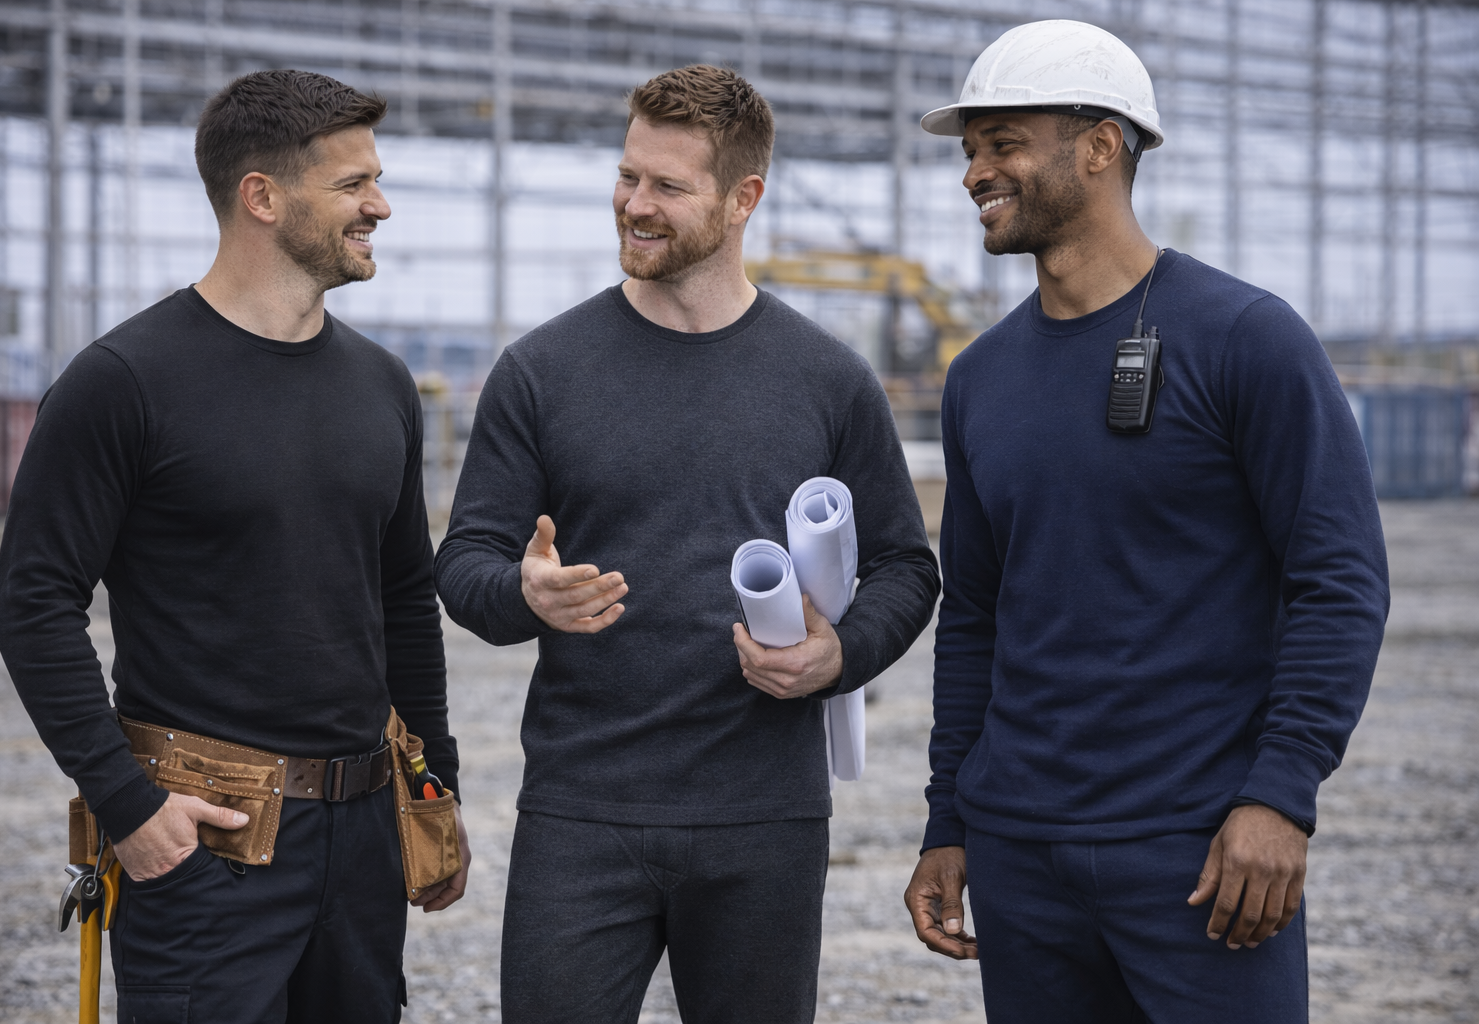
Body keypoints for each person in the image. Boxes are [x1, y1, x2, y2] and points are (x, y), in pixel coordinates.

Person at [902, 20, 1389, 1024]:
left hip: (1205, 855)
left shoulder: (1247, 341)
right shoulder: (980, 379)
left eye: (1003, 142)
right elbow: (977, 619)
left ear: (1099, 145)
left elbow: (1338, 582)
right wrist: (948, 820)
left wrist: (1280, 794)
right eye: (970, 150)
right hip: (1022, 857)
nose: (976, 173)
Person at [437, 64, 940, 1024]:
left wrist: (840, 654)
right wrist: (523, 595)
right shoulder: (540, 372)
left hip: (766, 818)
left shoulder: (827, 380)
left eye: (668, 186)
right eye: (629, 177)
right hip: (581, 812)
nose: (635, 204)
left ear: (743, 198)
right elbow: (463, 565)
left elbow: (908, 570)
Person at [0, 69, 469, 1024]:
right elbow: (34, 603)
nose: (380, 205)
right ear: (262, 196)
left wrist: (433, 787)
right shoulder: (122, 383)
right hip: (206, 842)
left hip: (367, 834)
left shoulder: (382, 387)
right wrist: (126, 806)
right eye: (352, 185)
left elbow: (404, 601)